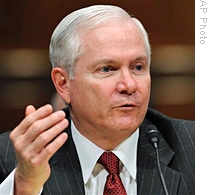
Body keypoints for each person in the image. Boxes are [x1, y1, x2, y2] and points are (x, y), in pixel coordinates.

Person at [0, 5, 194, 195]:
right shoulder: (10, 160)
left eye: (138, 67)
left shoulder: (195, 148)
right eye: (107, 69)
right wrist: (25, 186)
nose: (129, 85)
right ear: (64, 83)